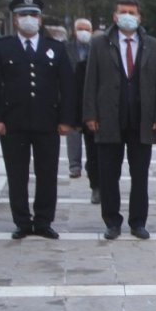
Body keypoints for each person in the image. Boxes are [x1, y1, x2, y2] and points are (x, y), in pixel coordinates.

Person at [0, 0, 75, 240]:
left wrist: (66, 119)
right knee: (17, 174)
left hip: (47, 122)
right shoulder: (2, 46)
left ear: (40, 18)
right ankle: (22, 222)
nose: (29, 20)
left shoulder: (54, 48)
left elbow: (67, 85)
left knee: (47, 174)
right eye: (23, 15)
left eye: (33, 15)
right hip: (14, 122)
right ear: (15, 20)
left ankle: (44, 221)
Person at [83, 0, 156, 240]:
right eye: (123, 11)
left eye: (132, 12)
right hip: (109, 117)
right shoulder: (100, 45)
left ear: (139, 17)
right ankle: (112, 221)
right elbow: (91, 81)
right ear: (115, 15)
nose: (127, 15)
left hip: (142, 119)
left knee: (140, 175)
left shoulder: (155, 46)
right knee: (109, 174)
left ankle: (138, 221)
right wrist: (90, 114)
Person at [68, 19, 100, 204]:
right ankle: (96, 187)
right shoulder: (83, 66)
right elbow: (79, 93)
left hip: (110, 117)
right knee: (93, 154)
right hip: (89, 117)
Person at [65, 19, 94, 184]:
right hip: (71, 96)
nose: (84, 32)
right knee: (73, 133)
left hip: (89, 97)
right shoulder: (66, 48)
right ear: (75, 31)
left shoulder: (96, 49)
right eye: (80, 29)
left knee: (91, 136)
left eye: (87, 29)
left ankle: (91, 167)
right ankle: (74, 166)